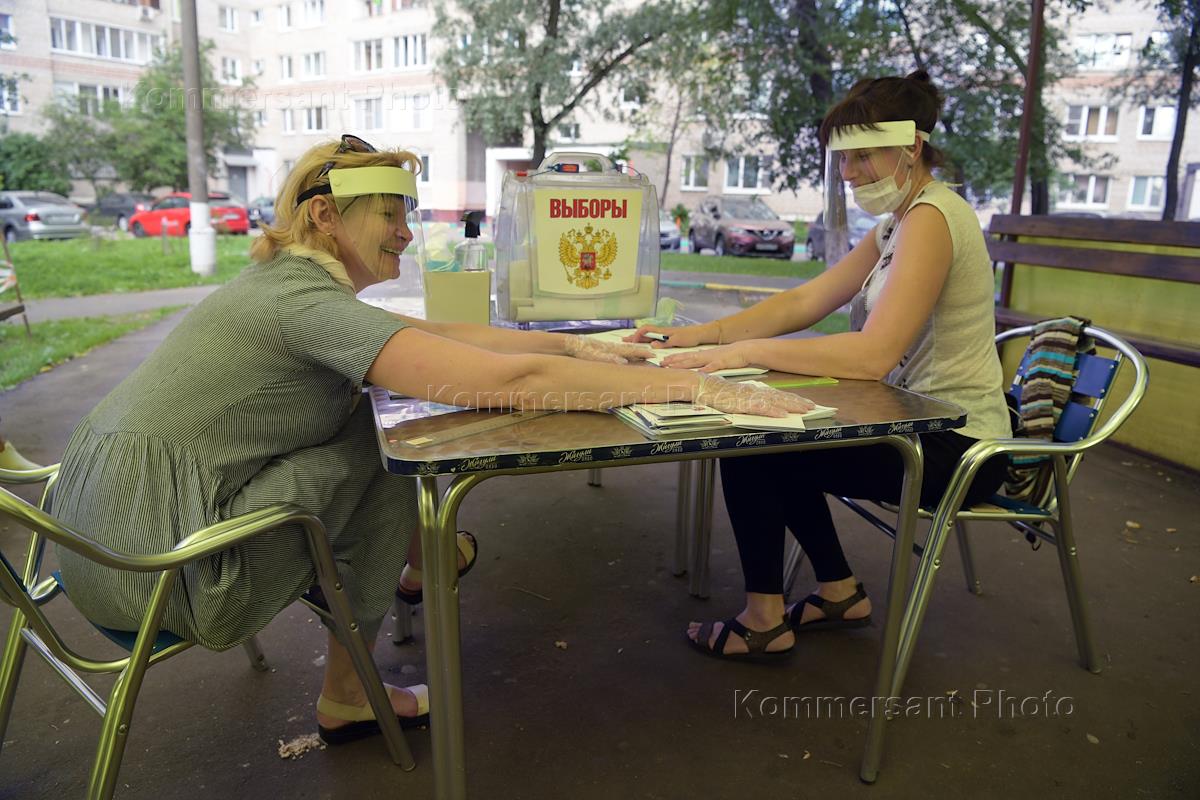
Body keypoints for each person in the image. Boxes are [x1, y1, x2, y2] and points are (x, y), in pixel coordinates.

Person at [52, 134, 808, 740]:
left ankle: (416, 569)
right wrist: (688, 385)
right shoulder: (304, 303)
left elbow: (441, 335)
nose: (408, 233)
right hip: (162, 574)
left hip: (92, 546)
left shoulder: (287, 285)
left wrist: (578, 346)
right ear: (325, 215)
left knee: (367, 422)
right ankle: (366, 663)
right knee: (383, 445)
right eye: (391, 214)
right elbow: (504, 383)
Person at [628, 72, 1012, 661]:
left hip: (956, 444)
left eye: (863, 156)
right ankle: (838, 593)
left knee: (756, 446)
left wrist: (747, 352)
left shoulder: (934, 219)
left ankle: (765, 621)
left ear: (911, 147)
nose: (849, 172)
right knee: (777, 441)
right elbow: (806, 300)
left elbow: (872, 355)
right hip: (914, 422)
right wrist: (694, 337)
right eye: (844, 158)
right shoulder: (899, 222)